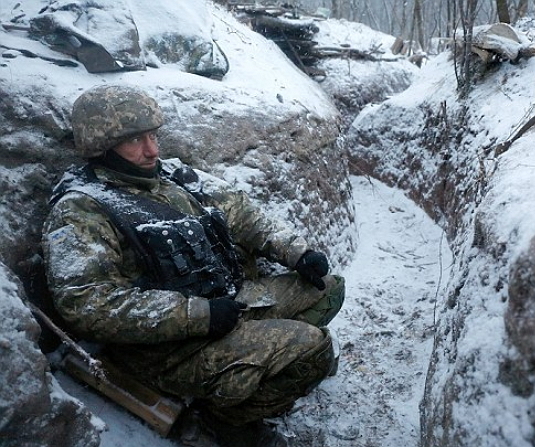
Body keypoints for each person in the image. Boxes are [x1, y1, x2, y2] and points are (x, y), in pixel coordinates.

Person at [41, 84, 345, 444]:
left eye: (153, 136)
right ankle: (224, 418)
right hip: (167, 347)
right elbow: (88, 304)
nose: (152, 150)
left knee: (329, 289)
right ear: (101, 147)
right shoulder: (81, 211)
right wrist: (198, 315)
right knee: (314, 348)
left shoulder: (171, 175)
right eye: (135, 141)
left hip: (227, 301)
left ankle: (261, 373)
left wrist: (295, 252)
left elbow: (241, 212)